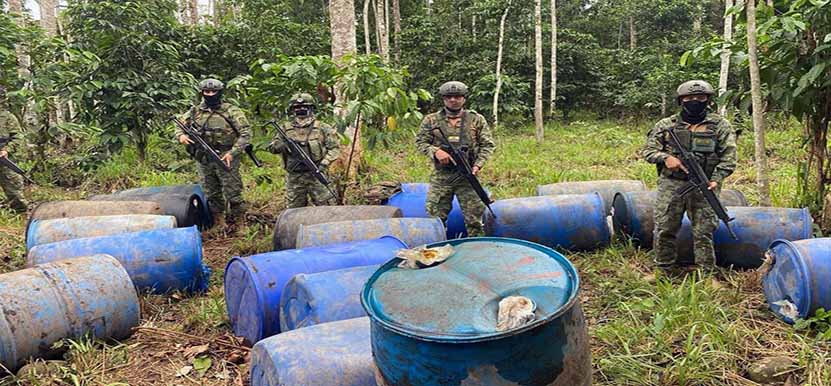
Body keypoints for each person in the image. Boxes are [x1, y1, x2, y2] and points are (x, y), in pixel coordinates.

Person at [642, 80, 737, 270]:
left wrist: (716, 179)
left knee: (704, 231)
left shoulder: (720, 125)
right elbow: (648, 151)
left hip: (705, 185)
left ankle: (707, 273)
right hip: (672, 184)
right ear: (681, 100)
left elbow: (729, 158)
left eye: (700, 97)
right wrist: (666, 157)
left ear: (708, 100)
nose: (695, 101)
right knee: (664, 227)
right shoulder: (666, 125)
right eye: (689, 98)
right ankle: (663, 269)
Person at [416, 81, 496, 237]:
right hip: (442, 177)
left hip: (468, 176)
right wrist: (435, 151)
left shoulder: (476, 119)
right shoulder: (431, 120)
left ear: (464, 98)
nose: (453, 100)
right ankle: (437, 249)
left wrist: (477, 166)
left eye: (457, 96)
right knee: (435, 218)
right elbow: (420, 142)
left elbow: (488, 145)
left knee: (475, 219)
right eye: (449, 97)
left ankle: (477, 249)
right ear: (444, 99)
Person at [175, 78, 250, 230]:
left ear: (220, 92)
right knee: (211, 191)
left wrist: (232, 153)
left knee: (233, 191)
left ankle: (241, 223)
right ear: (201, 93)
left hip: (226, 155)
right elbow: (179, 125)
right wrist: (181, 136)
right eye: (206, 92)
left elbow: (246, 134)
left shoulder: (231, 110)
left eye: (213, 92)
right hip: (204, 157)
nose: (210, 94)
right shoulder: (195, 111)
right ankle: (219, 222)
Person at [268, 93, 340, 208]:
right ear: (292, 110)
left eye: (305, 107)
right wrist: (283, 143)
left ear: (311, 109)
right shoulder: (284, 129)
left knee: (327, 209)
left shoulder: (322, 127)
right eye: (297, 107)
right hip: (294, 178)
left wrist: (324, 164)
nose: (301, 110)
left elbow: (334, 148)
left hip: (317, 174)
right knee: (293, 211)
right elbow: (273, 149)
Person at [0, 85, 27, 214]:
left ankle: (20, 215)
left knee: (14, 191)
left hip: (4, 158)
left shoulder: (8, 118)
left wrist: (6, 150)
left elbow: (18, 137)